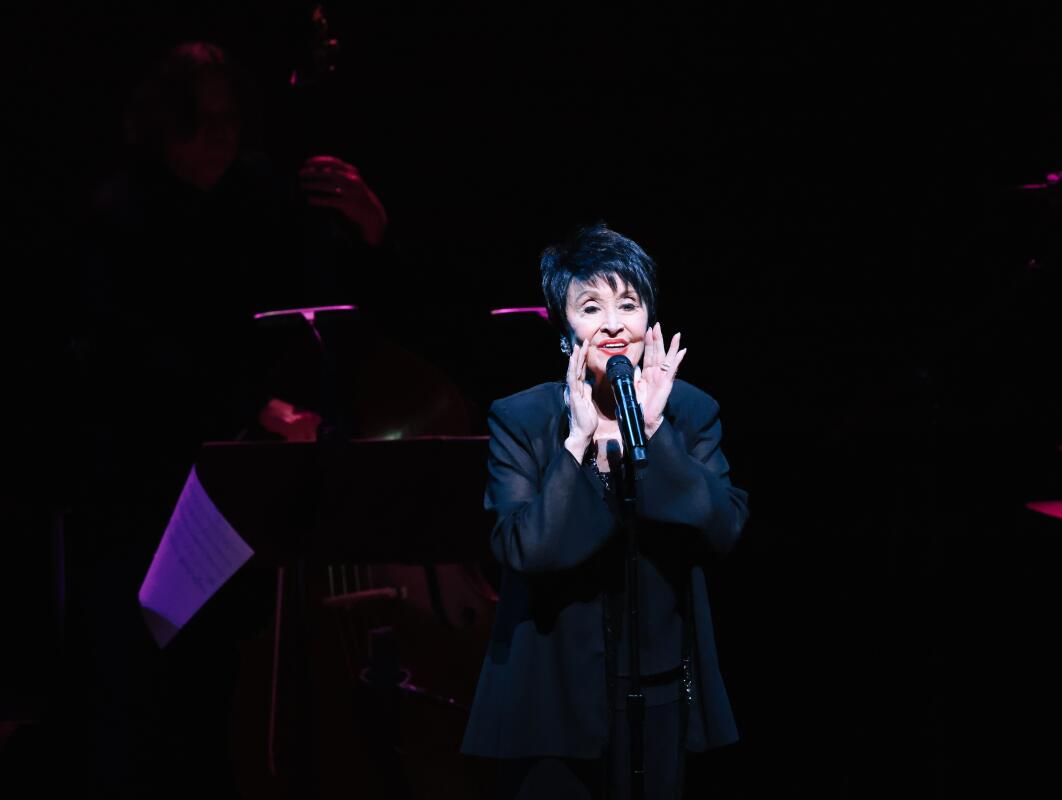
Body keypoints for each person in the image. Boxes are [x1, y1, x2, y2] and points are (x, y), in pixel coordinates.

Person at [65, 40, 394, 795]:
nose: (219, 135)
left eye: (229, 118)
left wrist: (371, 235)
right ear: (158, 126)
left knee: (239, 704)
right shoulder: (120, 218)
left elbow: (330, 310)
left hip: (251, 507)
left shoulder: (255, 198)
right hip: (148, 501)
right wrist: (254, 408)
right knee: (153, 708)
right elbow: (132, 359)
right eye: (197, 120)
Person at [461, 223, 749, 798]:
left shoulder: (691, 412)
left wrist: (654, 433)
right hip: (551, 696)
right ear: (565, 330)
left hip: (662, 689)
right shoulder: (521, 420)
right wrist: (577, 449)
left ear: (650, 321)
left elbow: (722, 527)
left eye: (629, 304)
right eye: (590, 306)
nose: (614, 323)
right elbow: (527, 549)